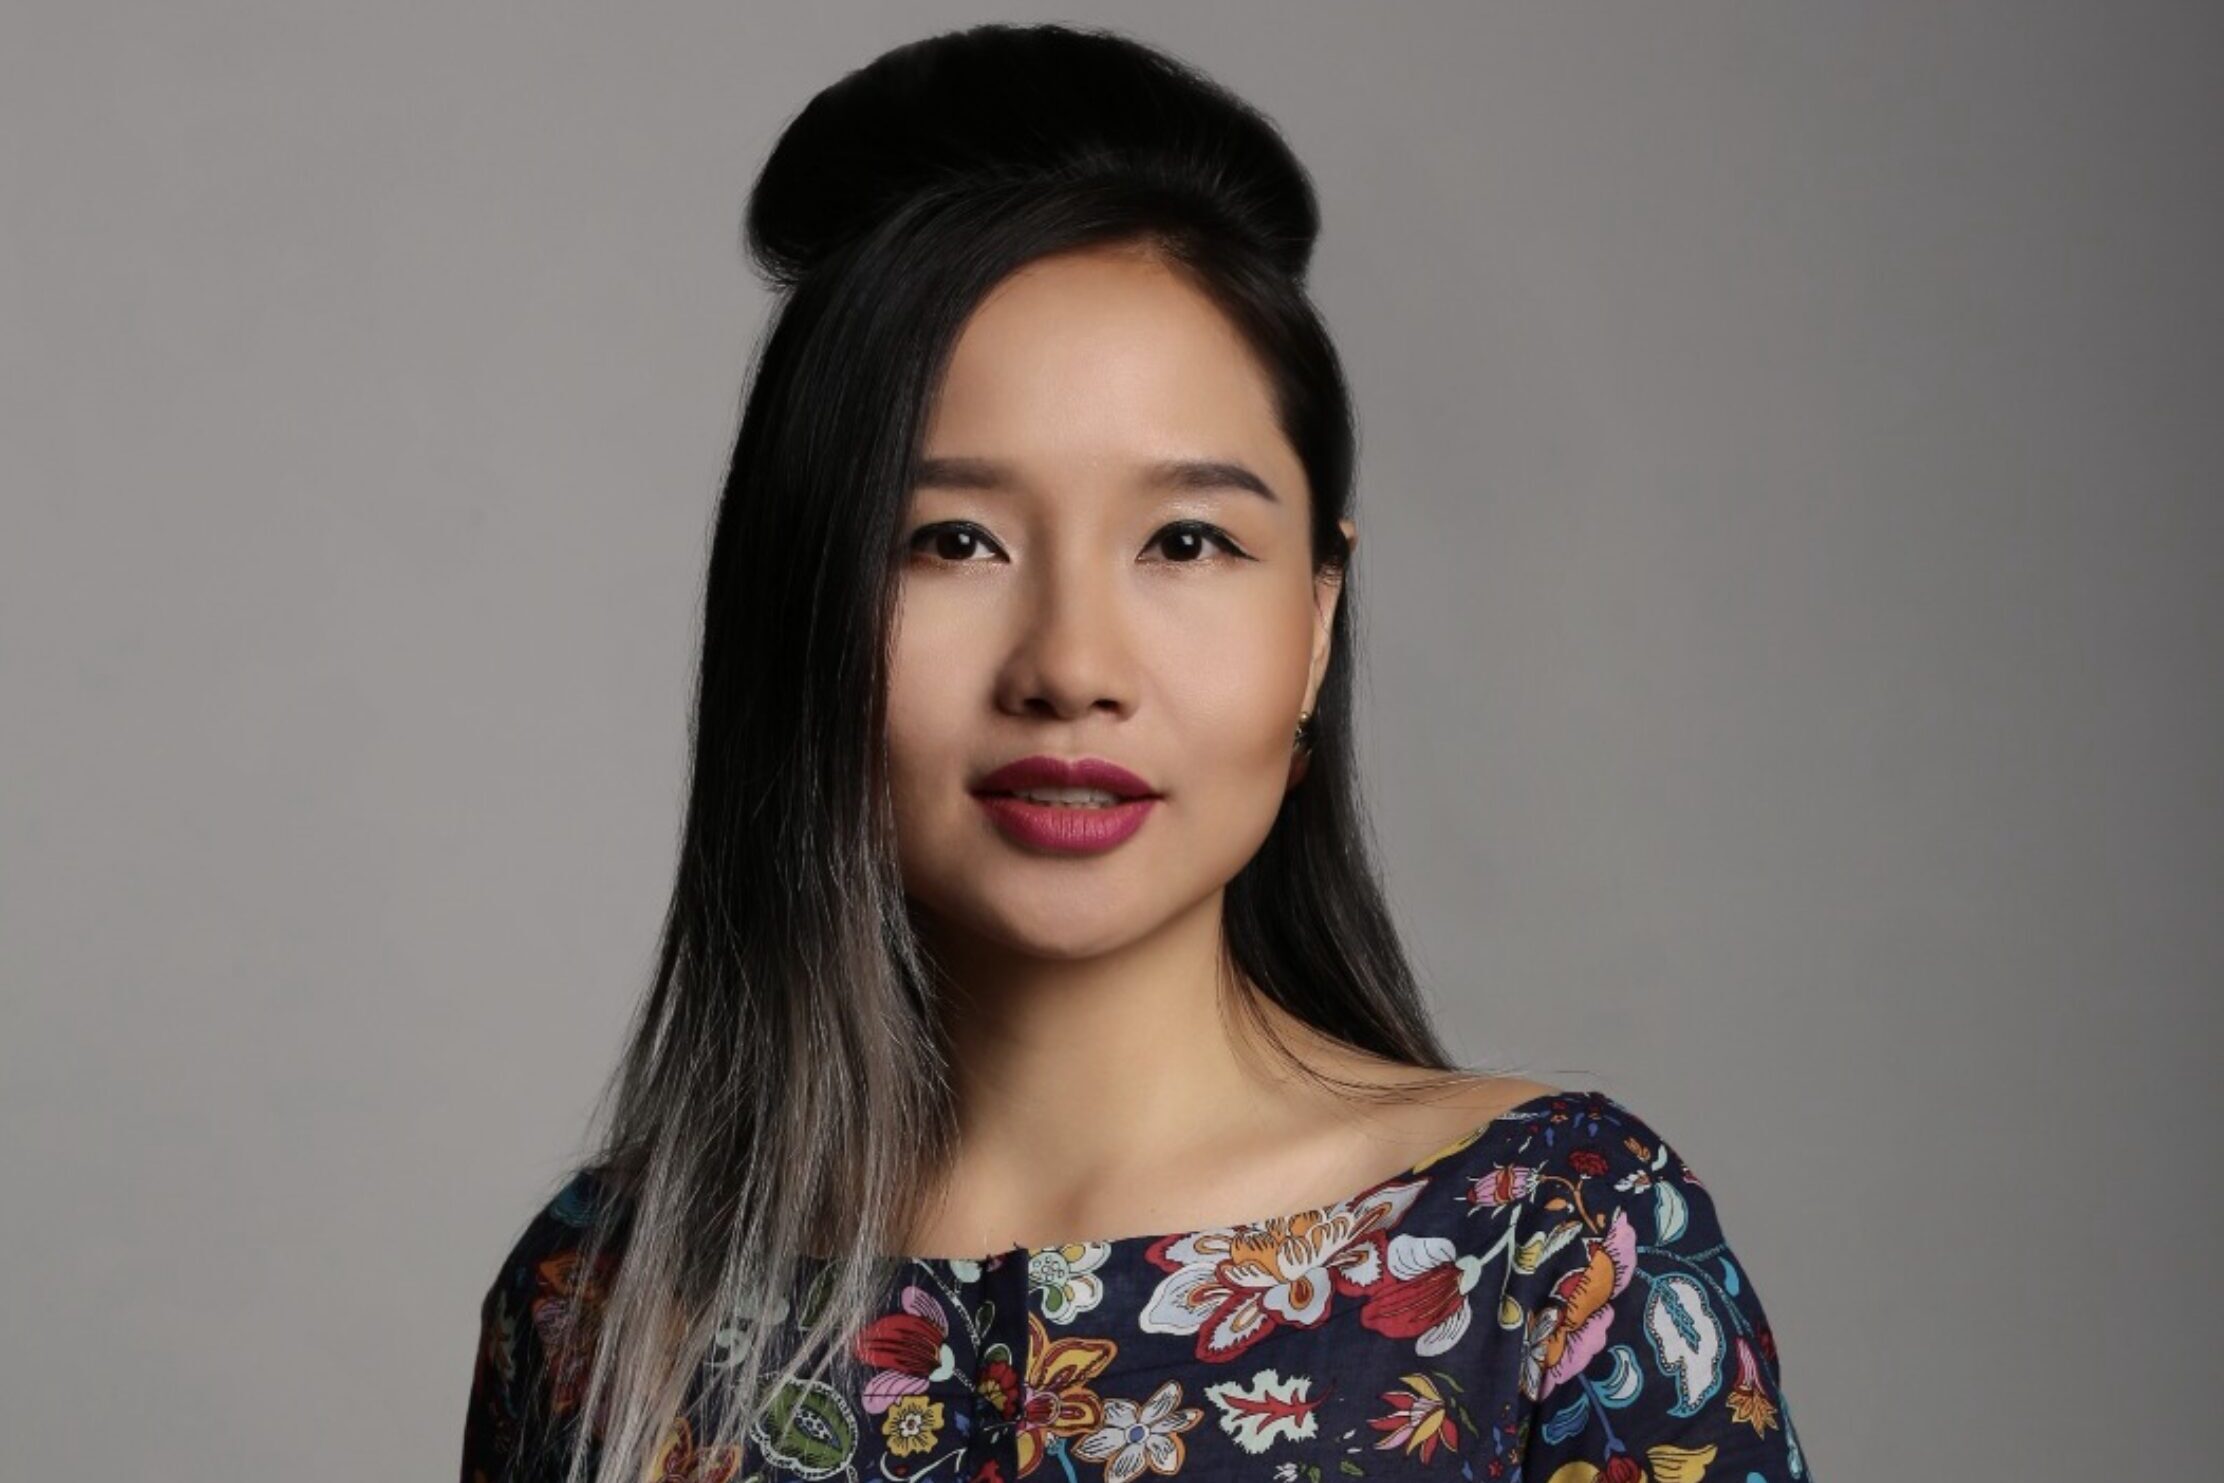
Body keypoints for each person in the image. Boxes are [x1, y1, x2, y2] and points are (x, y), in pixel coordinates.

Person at [459, 21, 1810, 1483]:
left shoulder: (1557, 1253)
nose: (1072, 670)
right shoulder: (601, 1306)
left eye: (1186, 541)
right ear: (801, 606)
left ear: (1316, 621)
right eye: (951, 541)